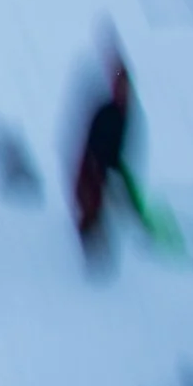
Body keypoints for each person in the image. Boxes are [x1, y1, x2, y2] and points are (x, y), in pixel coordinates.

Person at [72, 51, 134, 265]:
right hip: (91, 166)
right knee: (90, 202)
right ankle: (89, 241)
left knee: (96, 204)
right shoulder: (106, 112)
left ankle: (94, 238)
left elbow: (119, 147)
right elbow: (91, 140)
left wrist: (116, 168)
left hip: (103, 168)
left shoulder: (123, 115)